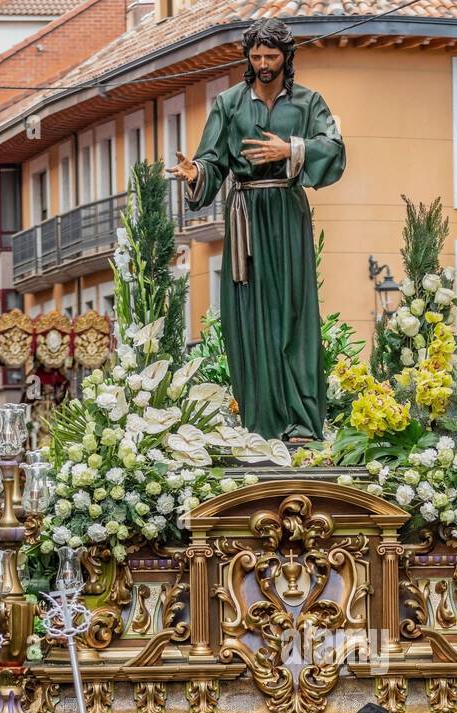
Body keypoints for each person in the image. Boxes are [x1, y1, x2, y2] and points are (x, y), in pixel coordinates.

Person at [168, 20, 345, 440]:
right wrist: (195, 172)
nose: (264, 64)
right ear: (248, 58)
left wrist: (291, 149)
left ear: (287, 57)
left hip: (286, 209)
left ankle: (301, 421)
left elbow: (335, 148)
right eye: (257, 57)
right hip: (244, 214)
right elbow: (211, 160)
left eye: (271, 56)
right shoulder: (229, 103)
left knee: (293, 310)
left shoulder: (307, 102)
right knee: (247, 317)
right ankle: (260, 423)